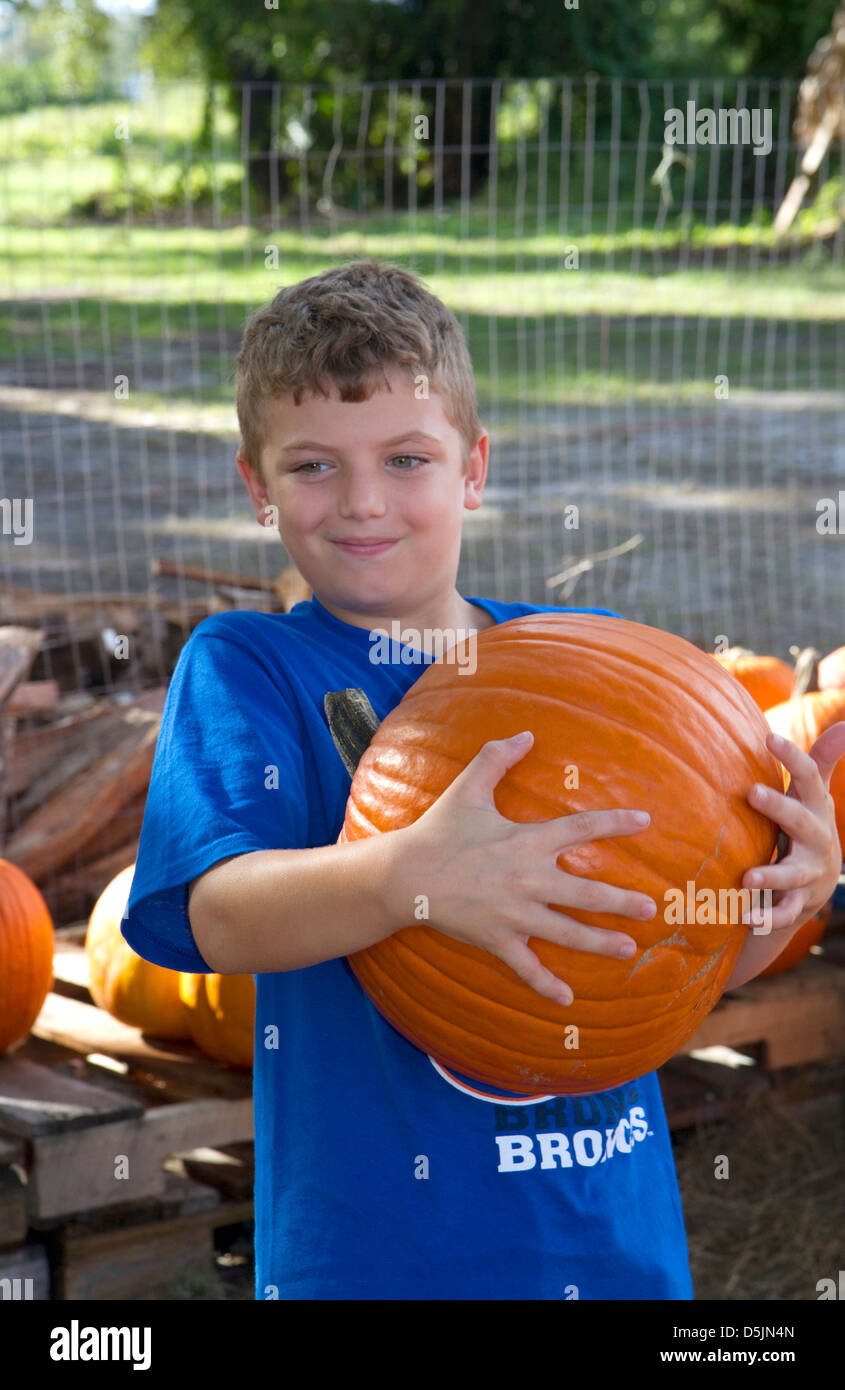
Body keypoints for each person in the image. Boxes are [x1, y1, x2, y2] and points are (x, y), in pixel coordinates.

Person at [122, 258, 843, 1300]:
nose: (362, 502)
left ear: (472, 469)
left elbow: (682, 960)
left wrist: (787, 900)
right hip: (379, 1259)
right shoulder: (250, 668)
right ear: (257, 486)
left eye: (406, 458)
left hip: (611, 1252)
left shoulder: (585, 662)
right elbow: (212, 916)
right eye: (314, 466)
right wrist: (410, 879)